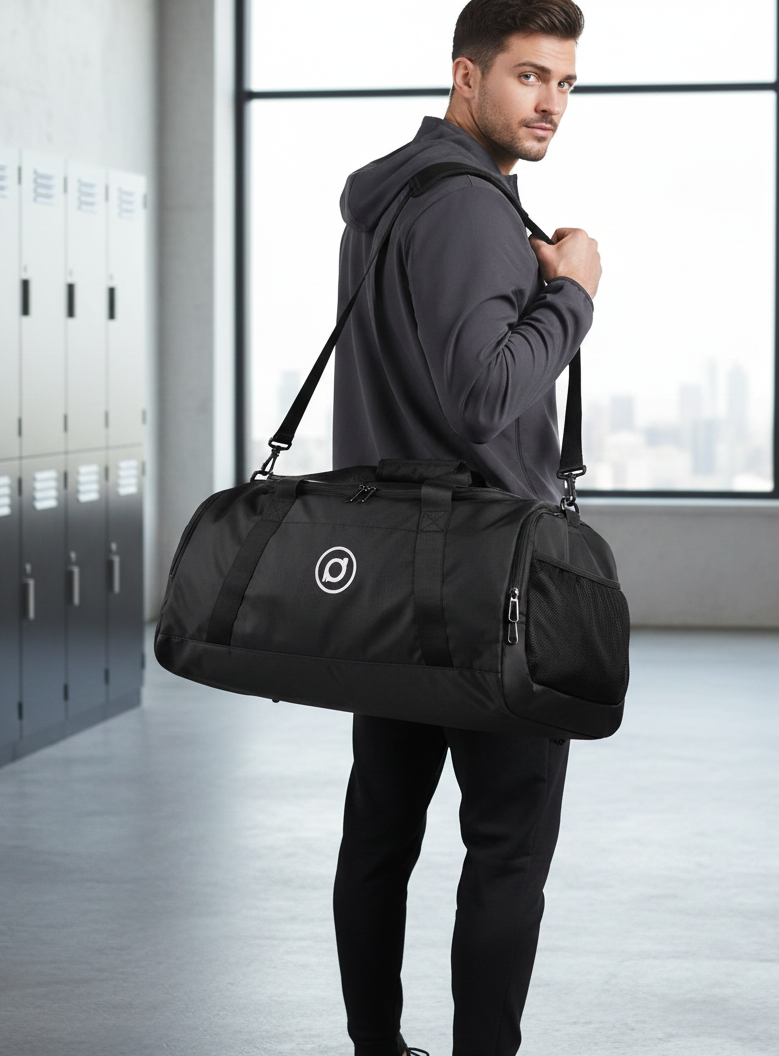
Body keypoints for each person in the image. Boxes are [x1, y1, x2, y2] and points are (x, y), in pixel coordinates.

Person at [330, 2, 601, 1054]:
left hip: (389, 572)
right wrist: (573, 296)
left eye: (566, 84)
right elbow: (482, 395)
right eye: (529, 77)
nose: (550, 105)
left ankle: (378, 1049)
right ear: (465, 76)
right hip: (492, 584)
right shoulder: (468, 209)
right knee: (505, 850)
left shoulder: (393, 200)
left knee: (380, 836)